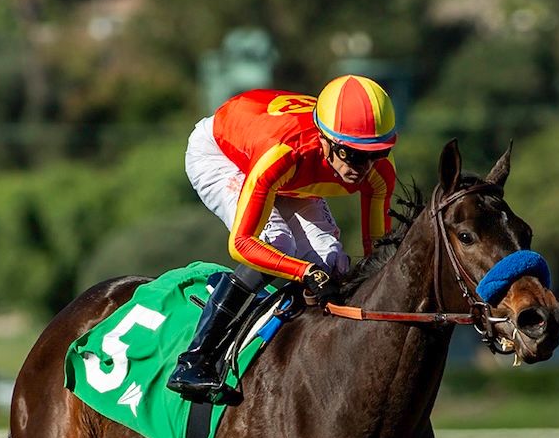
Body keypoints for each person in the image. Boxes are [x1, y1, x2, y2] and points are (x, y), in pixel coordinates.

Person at [167, 74, 399, 401]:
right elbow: (242, 244)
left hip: (291, 171)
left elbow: (377, 252)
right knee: (277, 243)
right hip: (224, 154)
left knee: (333, 262)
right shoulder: (284, 154)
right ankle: (195, 360)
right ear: (325, 140)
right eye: (352, 154)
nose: (364, 168)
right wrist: (304, 272)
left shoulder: (376, 170)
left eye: (377, 153)